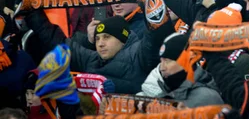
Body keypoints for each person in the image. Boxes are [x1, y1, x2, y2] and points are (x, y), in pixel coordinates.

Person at [25, 13, 172, 94]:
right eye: (97, 39)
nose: (100, 43)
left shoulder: (138, 53)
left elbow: (154, 39)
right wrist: (32, 13)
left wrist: (119, 87)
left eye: (107, 37)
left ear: (122, 39)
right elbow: (58, 41)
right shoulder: (92, 59)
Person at [140, 33, 223, 107]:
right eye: (161, 61)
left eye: (168, 61)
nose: (162, 68)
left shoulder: (206, 99)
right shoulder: (165, 92)